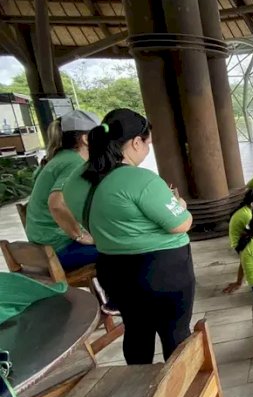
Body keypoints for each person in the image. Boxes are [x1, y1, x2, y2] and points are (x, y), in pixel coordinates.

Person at [62, 108, 194, 365]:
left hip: (113, 269)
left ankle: (138, 389)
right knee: (175, 333)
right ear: (136, 142)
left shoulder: (75, 180)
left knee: (136, 331)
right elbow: (181, 224)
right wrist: (180, 204)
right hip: (163, 270)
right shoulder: (139, 179)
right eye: (147, 143)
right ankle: (178, 395)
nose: (147, 149)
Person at [25, 110, 101, 270]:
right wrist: (80, 236)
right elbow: (57, 204)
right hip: (59, 248)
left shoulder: (60, 158)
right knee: (127, 252)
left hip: (44, 246)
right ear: (86, 139)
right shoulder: (74, 162)